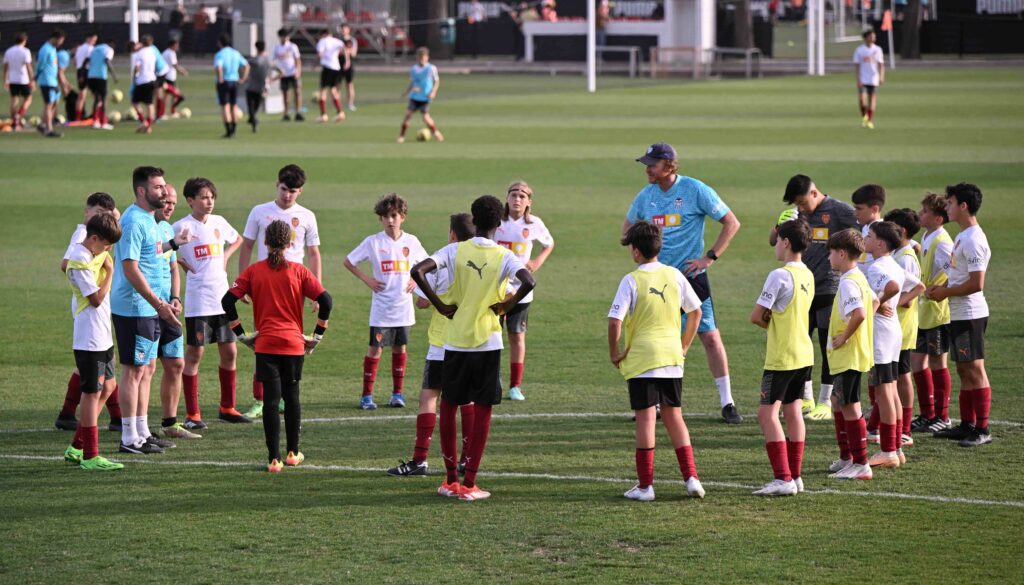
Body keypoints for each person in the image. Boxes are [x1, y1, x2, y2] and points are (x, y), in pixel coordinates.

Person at [411, 195, 536, 501]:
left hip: (455, 341)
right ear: (500, 223)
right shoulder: (504, 256)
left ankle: (450, 480)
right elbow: (529, 281)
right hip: (488, 343)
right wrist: (505, 305)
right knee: (482, 412)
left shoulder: (454, 250)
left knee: (449, 407)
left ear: (475, 221)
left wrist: (440, 305)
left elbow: (418, 271)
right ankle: (470, 484)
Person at [623, 143, 744, 424]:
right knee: (653, 338)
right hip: (657, 280)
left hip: (691, 277)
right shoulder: (646, 196)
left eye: (652, 164)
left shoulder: (695, 189)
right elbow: (626, 230)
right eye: (646, 164)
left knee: (710, 337)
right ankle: (652, 404)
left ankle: (727, 402)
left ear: (669, 165)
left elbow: (731, 223)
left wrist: (709, 257)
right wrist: (641, 253)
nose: (647, 169)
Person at [222, 220, 333, 472]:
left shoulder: (253, 271)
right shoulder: (300, 271)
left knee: (270, 403)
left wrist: (241, 334)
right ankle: (293, 453)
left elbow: (227, 301)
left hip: (266, 345)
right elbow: (326, 301)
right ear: (290, 243)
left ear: (265, 242)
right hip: (294, 345)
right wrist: (317, 335)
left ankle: (274, 459)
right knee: (292, 399)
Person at [609, 221, 705, 501]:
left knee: (646, 419)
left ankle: (645, 486)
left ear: (636, 252)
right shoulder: (674, 275)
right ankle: (692, 479)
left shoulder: (631, 280)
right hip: (672, 356)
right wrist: (684, 345)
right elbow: (696, 312)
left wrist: (614, 352)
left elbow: (615, 319)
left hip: (642, 359)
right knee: (675, 416)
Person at [387, 213, 476, 476]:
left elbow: (422, 301)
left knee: (429, 397)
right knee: (466, 400)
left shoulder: (443, 256)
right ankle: (466, 459)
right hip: (471, 340)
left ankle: (419, 460)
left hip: (441, 341)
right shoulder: (482, 257)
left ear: (452, 234)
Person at [110, 166, 192, 454]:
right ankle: (129, 438)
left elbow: (153, 254)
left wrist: (173, 247)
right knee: (133, 371)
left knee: (145, 369)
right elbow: (130, 268)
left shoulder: (149, 221)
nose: (164, 192)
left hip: (151, 306)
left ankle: (142, 432)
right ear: (142, 191)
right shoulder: (134, 221)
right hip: (135, 307)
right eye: (158, 188)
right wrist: (158, 304)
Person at [770, 175, 859, 420]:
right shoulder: (796, 214)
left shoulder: (839, 211)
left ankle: (825, 402)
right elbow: (773, 242)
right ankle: (806, 397)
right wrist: (778, 225)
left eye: (801, 202)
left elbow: (868, 232)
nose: (800, 208)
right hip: (803, 289)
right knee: (801, 342)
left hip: (830, 289)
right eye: (796, 204)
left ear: (814, 192)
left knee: (826, 345)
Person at [238, 164, 321, 419]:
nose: (287, 195)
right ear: (277, 185)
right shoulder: (260, 212)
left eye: (293, 191)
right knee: (261, 338)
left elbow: (314, 252)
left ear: (300, 191)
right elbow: (247, 247)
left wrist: (316, 289)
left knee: (291, 339)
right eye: (284, 189)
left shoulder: (307, 215)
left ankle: (284, 396)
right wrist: (243, 284)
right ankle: (259, 399)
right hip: (265, 285)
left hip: (295, 287)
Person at [174, 177, 246, 430]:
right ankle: (192, 414)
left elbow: (237, 239)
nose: (209, 202)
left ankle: (227, 407)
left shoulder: (219, 222)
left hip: (222, 298)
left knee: (230, 350)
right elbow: (164, 251)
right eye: (204, 197)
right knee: (195, 353)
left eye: (212, 197)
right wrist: (180, 262)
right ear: (190, 200)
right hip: (199, 301)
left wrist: (226, 256)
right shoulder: (180, 226)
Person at [344, 193, 429, 410]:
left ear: (403, 217)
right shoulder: (373, 242)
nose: (390, 220)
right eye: (385, 216)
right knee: (375, 349)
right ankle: (366, 396)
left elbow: (427, 264)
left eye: (394, 215)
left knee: (400, 349)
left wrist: (414, 278)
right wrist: (367, 280)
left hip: (404, 309)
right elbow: (349, 261)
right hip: (382, 309)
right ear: (380, 219)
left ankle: (397, 395)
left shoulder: (412, 242)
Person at [750, 219, 814, 496]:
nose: (775, 245)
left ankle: (783, 478)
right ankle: (795, 476)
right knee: (793, 411)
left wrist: (770, 323)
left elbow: (756, 316)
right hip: (804, 353)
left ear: (786, 242)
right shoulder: (808, 274)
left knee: (767, 415)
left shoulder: (779, 275)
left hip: (782, 355)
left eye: (778, 240)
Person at [926, 183, 993, 447]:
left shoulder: (974, 239)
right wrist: (944, 290)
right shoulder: (963, 236)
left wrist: (946, 292)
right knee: (964, 368)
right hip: (959, 312)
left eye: (951, 203)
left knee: (975, 368)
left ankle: (982, 428)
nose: (947, 207)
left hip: (970, 314)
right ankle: (967, 424)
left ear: (963, 206)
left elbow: (977, 284)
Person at [62, 212, 124, 471]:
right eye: (107, 243)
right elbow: (96, 298)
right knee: (92, 394)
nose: (109, 249)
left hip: (102, 335)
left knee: (108, 387)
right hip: (89, 339)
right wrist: (109, 271)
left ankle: (77, 445)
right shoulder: (78, 260)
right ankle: (90, 455)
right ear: (94, 238)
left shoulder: (96, 252)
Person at [863, 221, 924, 469]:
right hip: (894, 332)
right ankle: (896, 447)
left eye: (869, 236)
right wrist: (895, 303)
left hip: (880, 335)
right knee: (890, 390)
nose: (865, 239)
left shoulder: (877, 267)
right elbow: (918, 286)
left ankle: (888, 451)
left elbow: (893, 287)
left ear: (880, 243)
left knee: (884, 392)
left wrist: (879, 301)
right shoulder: (893, 264)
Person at [824, 229, 877, 481]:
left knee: (850, 406)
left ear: (842, 253)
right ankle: (847, 457)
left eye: (831, 253)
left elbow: (860, 313)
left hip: (849, 354)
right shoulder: (858, 276)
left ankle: (861, 462)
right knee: (837, 401)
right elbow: (875, 302)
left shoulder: (847, 282)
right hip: (851, 354)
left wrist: (844, 337)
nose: (828, 258)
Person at [494, 181, 555, 401]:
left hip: (521, 291)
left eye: (522, 195)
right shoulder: (497, 221)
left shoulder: (535, 224)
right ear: (507, 198)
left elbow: (549, 244)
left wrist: (537, 262)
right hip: (497, 289)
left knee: (517, 337)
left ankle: (515, 386)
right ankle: (494, 381)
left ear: (529, 201)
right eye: (513, 194)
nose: (517, 199)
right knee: (492, 336)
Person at [151, 185, 196, 440]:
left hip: (169, 308)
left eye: (173, 204)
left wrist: (176, 297)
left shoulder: (168, 229)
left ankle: (170, 423)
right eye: (166, 201)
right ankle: (136, 425)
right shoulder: (144, 227)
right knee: (144, 369)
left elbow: (172, 268)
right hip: (147, 307)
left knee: (176, 363)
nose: (169, 206)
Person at [910, 193, 954, 433]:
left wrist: (943, 291)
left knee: (938, 362)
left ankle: (943, 416)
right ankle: (927, 414)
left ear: (938, 218)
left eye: (925, 211)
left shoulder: (943, 242)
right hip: (923, 311)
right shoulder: (928, 236)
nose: (920, 214)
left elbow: (955, 273)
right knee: (918, 362)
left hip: (938, 313)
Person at [884, 208, 924, 445]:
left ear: (902, 232)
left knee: (902, 376)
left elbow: (911, 295)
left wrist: (887, 303)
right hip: (897, 325)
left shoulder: (905, 258)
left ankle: (905, 427)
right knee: (897, 375)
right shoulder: (904, 252)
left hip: (902, 325)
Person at [850, 184, 885, 438]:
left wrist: (879, 302)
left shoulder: (882, 234)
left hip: (875, 313)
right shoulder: (864, 231)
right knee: (871, 368)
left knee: (881, 373)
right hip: (862, 306)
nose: (855, 213)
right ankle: (874, 421)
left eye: (859, 209)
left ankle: (880, 425)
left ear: (875, 209)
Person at [397, 47, 444, 143]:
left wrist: (433, 92)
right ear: (417, 58)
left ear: (427, 57)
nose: (421, 59)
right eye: (420, 57)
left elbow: (437, 81)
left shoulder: (431, 68)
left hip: (425, 97)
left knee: (426, 118)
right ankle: (401, 137)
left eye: (423, 57)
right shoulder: (413, 69)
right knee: (407, 115)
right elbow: (413, 83)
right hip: (414, 97)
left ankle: (436, 133)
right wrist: (407, 92)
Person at [213, 33, 249, 138]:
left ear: (220, 43)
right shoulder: (236, 53)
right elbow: (246, 65)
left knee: (225, 106)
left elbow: (219, 67)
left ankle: (228, 131)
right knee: (234, 106)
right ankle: (234, 130)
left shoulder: (220, 54)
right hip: (235, 81)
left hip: (225, 81)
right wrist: (243, 78)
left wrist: (220, 78)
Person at [35, 29, 68, 138]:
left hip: (53, 81)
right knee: (48, 105)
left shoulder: (53, 49)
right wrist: (35, 78)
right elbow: (40, 65)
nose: (61, 43)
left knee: (53, 104)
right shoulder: (45, 49)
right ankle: (49, 130)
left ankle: (42, 125)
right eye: (60, 41)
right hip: (47, 81)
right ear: (55, 39)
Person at [854, 29, 884, 129]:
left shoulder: (878, 49)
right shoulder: (860, 50)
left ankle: (869, 121)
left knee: (872, 101)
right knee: (862, 100)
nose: (873, 38)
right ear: (866, 38)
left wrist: (881, 76)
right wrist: (858, 79)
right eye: (871, 36)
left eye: (874, 36)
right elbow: (857, 66)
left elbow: (881, 64)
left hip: (873, 78)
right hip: (863, 78)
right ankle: (865, 118)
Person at [4, 32, 34, 131]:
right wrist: (32, 80)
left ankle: (14, 122)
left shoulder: (9, 51)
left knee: (14, 100)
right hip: (23, 79)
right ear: (24, 40)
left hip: (13, 79)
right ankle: (19, 116)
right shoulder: (25, 51)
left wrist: (5, 79)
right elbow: (28, 66)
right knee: (28, 99)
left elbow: (5, 67)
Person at [85, 35, 116, 130]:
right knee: (103, 99)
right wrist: (114, 75)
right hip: (101, 77)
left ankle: (95, 121)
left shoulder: (95, 48)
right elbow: (107, 60)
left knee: (97, 99)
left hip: (91, 76)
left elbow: (87, 60)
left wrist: (83, 74)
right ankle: (103, 122)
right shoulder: (109, 50)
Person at [315, 28, 346, 123]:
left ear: (323, 34)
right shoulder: (337, 41)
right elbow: (344, 49)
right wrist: (345, 60)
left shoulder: (322, 41)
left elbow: (320, 53)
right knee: (333, 90)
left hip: (327, 67)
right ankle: (340, 112)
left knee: (323, 91)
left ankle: (323, 115)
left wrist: (315, 63)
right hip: (336, 67)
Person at [273, 28, 303, 121]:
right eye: (283, 36)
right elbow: (273, 61)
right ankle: (286, 113)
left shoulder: (292, 46)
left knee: (297, 92)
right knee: (285, 94)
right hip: (283, 74)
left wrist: (298, 71)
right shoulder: (276, 47)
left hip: (293, 72)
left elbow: (297, 59)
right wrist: (278, 70)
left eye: (286, 36)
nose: (285, 38)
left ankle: (298, 112)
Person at [129, 37, 157, 133]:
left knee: (134, 102)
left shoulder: (140, 53)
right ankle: (148, 126)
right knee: (150, 104)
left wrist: (134, 78)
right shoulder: (152, 51)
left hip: (142, 80)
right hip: (152, 79)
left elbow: (137, 67)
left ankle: (144, 122)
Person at [244, 41, 273, 132]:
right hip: (262, 87)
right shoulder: (268, 60)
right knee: (255, 106)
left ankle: (253, 120)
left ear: (256, 48)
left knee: (251, 107)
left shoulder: (256, 59)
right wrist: (271, 80)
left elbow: (247, 61)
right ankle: (253, 119)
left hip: (251, 86)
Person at [72, 32, 96, 122]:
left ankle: (77, 118)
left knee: (81, 96)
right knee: (96, 95)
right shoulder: (91, 49)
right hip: (88, 71)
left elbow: (74, 62)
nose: (94, 42)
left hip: (79, 72)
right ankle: (95, 116)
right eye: (94, 40)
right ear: (88, 38)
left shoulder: (79, 48)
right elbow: (89, 61)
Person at [161, 39, 187, 119]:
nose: (177, 47)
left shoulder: (166, 52)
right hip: (169, 77)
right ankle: (165, 113)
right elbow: (175, 65)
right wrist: (183, 71)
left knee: (170, 95)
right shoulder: (171, 53)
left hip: (167, 76)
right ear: (172, 45)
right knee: (170, 95)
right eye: (176, 45)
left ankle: (170, 112)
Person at [340, 23, 358, 111]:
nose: (343, 31)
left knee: (349, 85)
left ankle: (350, 104)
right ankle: (338, 104)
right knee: (336, 85)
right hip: (338, 65)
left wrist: (346, 51)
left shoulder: (352, 40)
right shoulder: (338, 40)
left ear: (348, 30)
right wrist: (345, 51)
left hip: (349, 65)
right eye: (342, 29)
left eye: (345, 29)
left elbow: (354, 53)